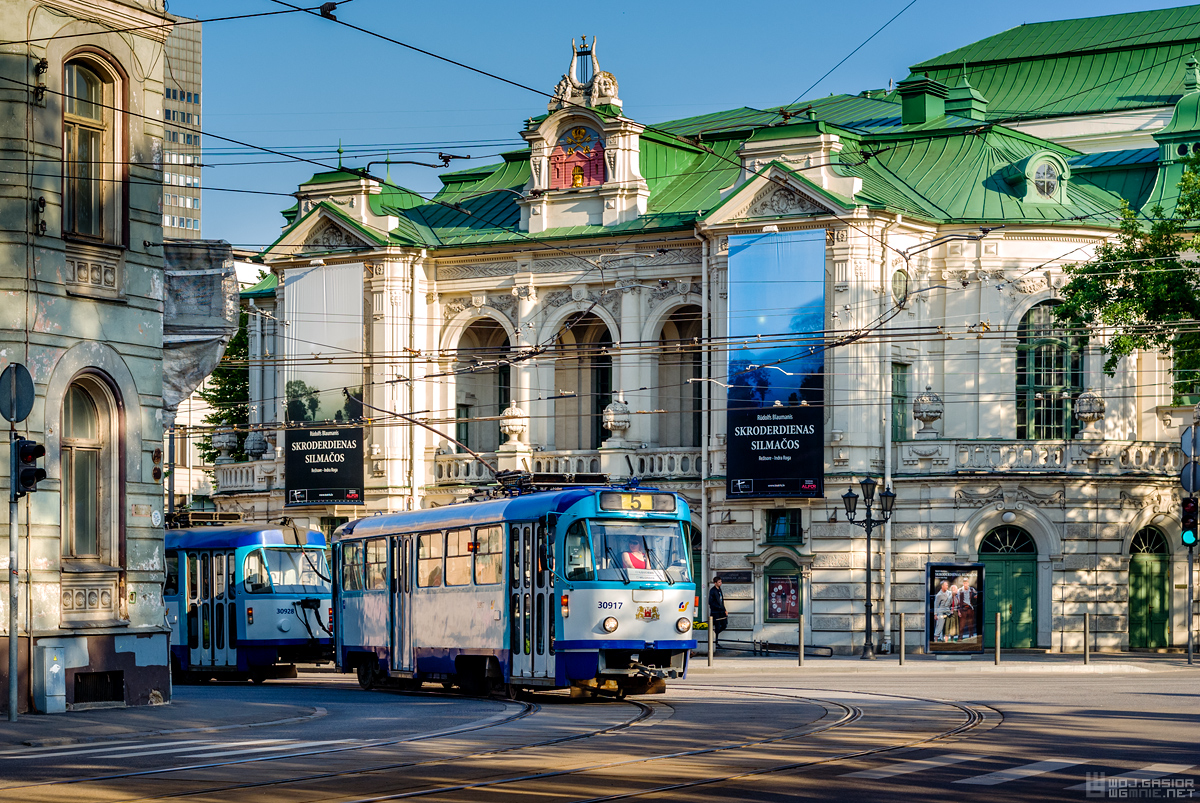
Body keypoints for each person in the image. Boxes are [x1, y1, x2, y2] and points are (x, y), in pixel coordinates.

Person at [708, 577, 728, 644]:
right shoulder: (712, 590)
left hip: (721, 611)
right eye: (719, 582)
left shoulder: (719, 589)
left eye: (721, 582)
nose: (720, 583)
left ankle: (714, 635)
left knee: (724, 625)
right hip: (715, 612)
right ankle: (715, 641)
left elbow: (722, 601)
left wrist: (725, 610)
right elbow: (710, 602)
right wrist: (718, 607)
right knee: (717, 626)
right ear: (715, 583)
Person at [957, 576, 978, 641]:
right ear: (963, 583)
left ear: (968, 583)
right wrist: (959, 611)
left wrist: (975, 597)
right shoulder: (960, 590)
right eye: (964, 583)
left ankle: (970, 636)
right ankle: (960, 637)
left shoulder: (972, 589)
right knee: (962, 624)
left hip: (970, 608)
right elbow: (958, 601)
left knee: (970, 623)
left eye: (966, 583)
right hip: (963, 609)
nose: (965, 584)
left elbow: (977, 595)